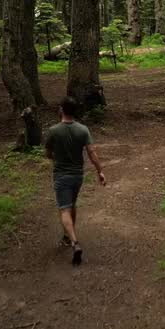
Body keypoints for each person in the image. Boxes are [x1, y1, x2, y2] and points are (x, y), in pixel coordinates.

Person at [43, 96, 106, 265]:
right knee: (73, 204)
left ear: (62, 110)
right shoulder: (83, 130)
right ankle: (68, 234)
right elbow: (92, 153)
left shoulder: (53, 131)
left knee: (64, 209)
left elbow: (48, 153)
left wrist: (55, 157)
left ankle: (74, 242)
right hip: (78, 175)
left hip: (61, 175)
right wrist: (100, 171)